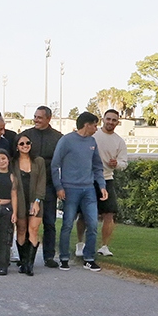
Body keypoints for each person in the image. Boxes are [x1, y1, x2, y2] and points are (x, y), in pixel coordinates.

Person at [53, 112, 107, 272]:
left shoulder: (92, 142)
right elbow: (55, 165)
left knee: (93, 224)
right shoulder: (66, 140)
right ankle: (64, 258)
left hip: (89, 189)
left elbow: (97, 166)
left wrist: (102, 186)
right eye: (94, 125)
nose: (96, 129)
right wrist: (59, 187)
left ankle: (89, 258)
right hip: (70, 189)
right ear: (86, 125)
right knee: (67, 224)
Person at [76, 109, 128, 258]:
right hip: (88, 179)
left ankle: (104, 246)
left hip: (107, 179)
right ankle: (80, 244)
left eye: (114, 120)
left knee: (109, 214)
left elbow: (124, 163)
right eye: (108, 119)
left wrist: (116, 164)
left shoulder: (119, 141)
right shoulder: (93, 135)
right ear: (103, 119)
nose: (111, 122)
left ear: (117, 122)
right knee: (83, 214)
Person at [20, 106, 63, 268]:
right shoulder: (27, 136)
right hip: (29, 186)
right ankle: (25, 257)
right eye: (35, 117)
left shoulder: (58, 138)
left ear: (48, 119)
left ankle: (49, 256)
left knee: (49, 222)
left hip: (49, 186)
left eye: (40, 117)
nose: (36, 120)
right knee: (26, 222)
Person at [11, 132, 45, 276]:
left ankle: (30, 264)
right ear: (17, 147)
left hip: (34, 200)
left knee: (34, 229)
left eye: (27, 143)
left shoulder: (38, 161)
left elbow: (42, 182)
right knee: (21, 229)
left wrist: (37, 201)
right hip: (19, 200)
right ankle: (23, 262)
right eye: (22, 144)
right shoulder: (13, 163)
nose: (25, 146)